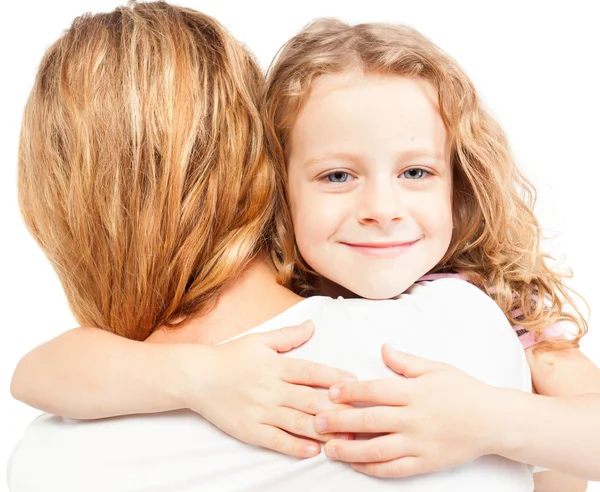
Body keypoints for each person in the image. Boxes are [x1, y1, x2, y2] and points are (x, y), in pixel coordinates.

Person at [7, 2, 595, 491]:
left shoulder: (495, 305)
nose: (382, 208)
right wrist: (199, 376)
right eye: (337, 176)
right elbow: (34, 372)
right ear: (275, 189)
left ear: (459, 185)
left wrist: (493, 419)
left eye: (416, 172)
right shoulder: (311, 304)